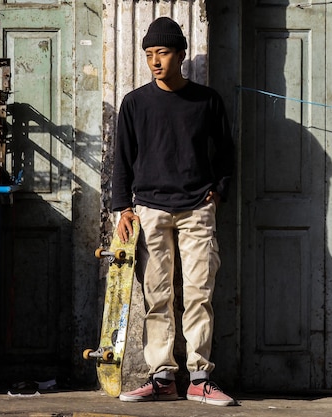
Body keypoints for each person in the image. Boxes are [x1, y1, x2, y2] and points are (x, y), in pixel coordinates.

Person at [111, 16, 236, 406]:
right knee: (157, 295)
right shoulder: (134, 104)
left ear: (180, 54)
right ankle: (162, 377)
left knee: (199, 293)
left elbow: (226, 154)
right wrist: (123, 208)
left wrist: (218, 192)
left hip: (197, 209)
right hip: (150, 210)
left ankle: (199, 377)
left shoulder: (207, 101)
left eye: (162, 52)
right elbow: (122, 160)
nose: (154, 61)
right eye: (149, 54)